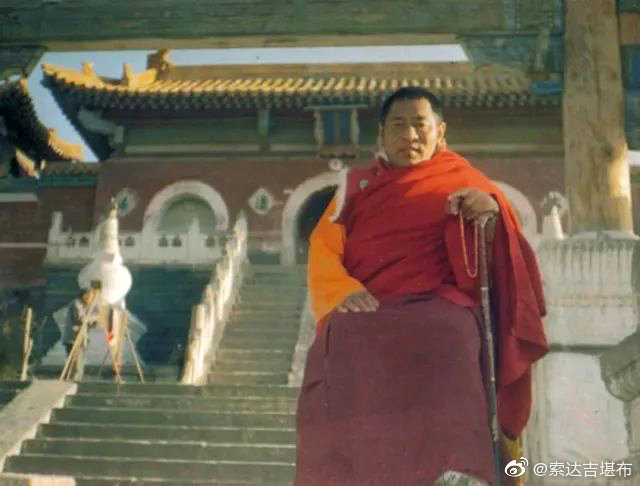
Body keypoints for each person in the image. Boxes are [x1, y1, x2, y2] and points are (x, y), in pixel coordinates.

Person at [295, 86, 549, 485]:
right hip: (373, 304)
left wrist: (490, 214)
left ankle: (461, 466)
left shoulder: (466, 180)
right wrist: (343, 291)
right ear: (381, 133)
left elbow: (503, 251)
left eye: (419, 125)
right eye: (398, 125)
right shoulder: (355, 187)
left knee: (451, 332)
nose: (409, 135)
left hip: (440, 302)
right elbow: (323, 248)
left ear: (440, 131)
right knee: (341, 334)